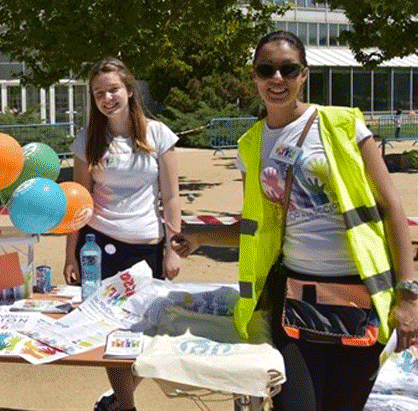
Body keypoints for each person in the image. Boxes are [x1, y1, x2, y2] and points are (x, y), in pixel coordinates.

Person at [172, 30, 418, 411]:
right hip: (292, 299)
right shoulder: (250, 146)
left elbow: (391, 207)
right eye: (266, 69)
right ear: (254, 76)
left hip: (358, 298)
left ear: (304, 74)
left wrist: (409, 296)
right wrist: (200, 237)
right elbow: (255, 228)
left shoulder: (342, 126)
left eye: (288, 69)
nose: (277, 79)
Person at [63, 57, 182, 411]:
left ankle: (116, 399)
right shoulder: (88, 140)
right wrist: (70, 254)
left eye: (113, 89)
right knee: (113, 337)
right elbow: (79, 202)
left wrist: (174, 248)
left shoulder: (158, 134)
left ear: (129, 90)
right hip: (102, 246)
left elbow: (172, 196)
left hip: (149, 248)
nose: (107, 98)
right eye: (99, 93)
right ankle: (126, 407)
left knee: (151, 336)